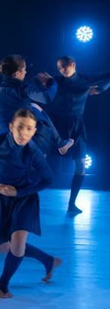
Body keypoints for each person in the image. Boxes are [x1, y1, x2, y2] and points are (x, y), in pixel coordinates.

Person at [0, 109, 62, 298]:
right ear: (11, 127)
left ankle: (3, 287)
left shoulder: (33, 152)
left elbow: (47, 180)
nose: (24, 133)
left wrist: (17, 192)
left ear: (34, 131)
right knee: (2, 248)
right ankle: (48, 260)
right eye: (20, 127)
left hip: (23, 199)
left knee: (18, 246)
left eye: (29, 129)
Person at [47, 56, 110, 215]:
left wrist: (100, 88)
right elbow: (36, 81)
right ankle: (24, 196)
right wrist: (46, 82)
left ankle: (71, 204)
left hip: (76, 126)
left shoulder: (85, 79)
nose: (62, 70)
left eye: (64, 67)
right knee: (39, 157)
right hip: (57, 124)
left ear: (73, 65)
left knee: (81, 165)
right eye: (59, 68)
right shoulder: (55, 80)